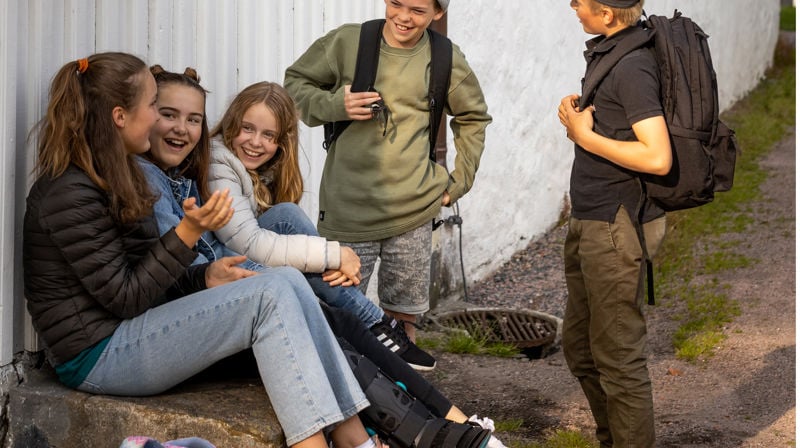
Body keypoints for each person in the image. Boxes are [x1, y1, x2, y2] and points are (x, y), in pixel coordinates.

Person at [22, 52, 380, 448]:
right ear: (120, 116)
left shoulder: (120, 173)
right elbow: (126, 298)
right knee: (270, 293)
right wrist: (187, 233)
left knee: (288, 280)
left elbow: (143, 275)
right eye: (153, 106)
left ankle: (355, 440)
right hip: (98, 355)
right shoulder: (68, 192)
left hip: (132, 329)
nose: (157, 118)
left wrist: (204, 276)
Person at [141, 65, 504, 448]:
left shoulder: (184, 172)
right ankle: (432, 423)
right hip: (209, 307)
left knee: (296, 239)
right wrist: (332, 255)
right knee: (333, 324)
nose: (255, 142)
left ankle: (445, 419)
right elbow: (236, 249)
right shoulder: (199, 167)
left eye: (193, 119)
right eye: (169, 115)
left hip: (227, 290)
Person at [283, 0, 492, 342]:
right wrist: (336, 105)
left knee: (402, 323)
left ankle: (402, 379)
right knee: (339, 319)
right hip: (348, 211)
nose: (404, 17)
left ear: (438, 13)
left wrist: (459, 182)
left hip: (414, 212)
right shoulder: (348, 42)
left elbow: (474, 117)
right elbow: (294, 85)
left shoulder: (445, 58)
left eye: (418, 10)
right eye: (396, 3)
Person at [206, 81, 436, 371]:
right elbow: (250, 244)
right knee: (290, 223)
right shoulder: (219, 162)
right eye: (247, 128)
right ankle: (372, 323)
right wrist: (333, 255)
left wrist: (328, 257)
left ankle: (367, 326)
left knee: (288, 219)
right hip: (221, 272)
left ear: (281, 141)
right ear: (231, 124)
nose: (255, 142)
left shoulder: (260, 168)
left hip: (242, 263)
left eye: (268, 135)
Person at [557, 1, 671, 447]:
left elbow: (657, 157)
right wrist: (582, 114)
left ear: (606, 14)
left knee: (618, 358)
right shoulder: (613, 49)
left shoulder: (632, 66)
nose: (572, 6)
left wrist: (584, 135)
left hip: (616, 225)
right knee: (581, 348)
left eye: (581, 2)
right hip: (592, 217)